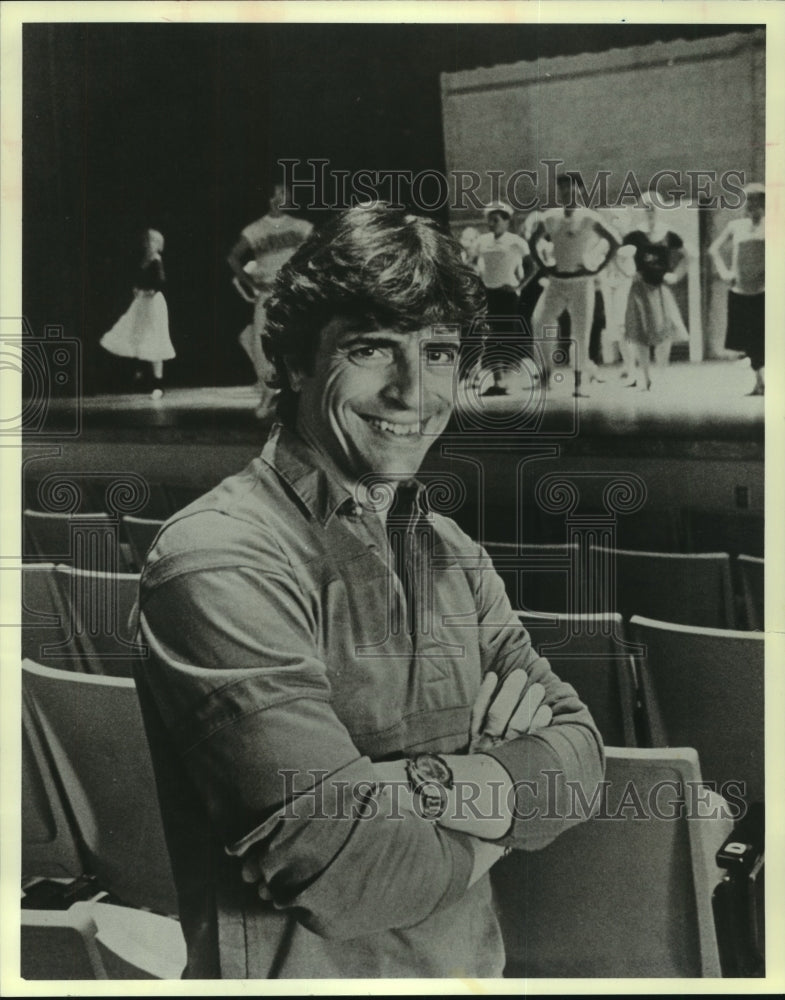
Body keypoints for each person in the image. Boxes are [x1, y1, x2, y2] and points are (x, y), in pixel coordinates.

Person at [133, 204, 605, 980]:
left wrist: (404, 789)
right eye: (370, 349)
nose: (413, 391)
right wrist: (497, 794)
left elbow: (580, 764)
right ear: (290, 364)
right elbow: (347, 876)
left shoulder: (451, 550)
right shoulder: (219, 559)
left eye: (440, 351)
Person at [529, 174, 622, 397]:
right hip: (557, 282)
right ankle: (545, 374)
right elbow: (532, 241)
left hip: (581, 283)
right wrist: (545, 265)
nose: (567, 194)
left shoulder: (589, 217)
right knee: (539, 321)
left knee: (581, 333)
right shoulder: (550, 217)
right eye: (562, 190)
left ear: (579, 191)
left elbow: (615, 241)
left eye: (571, 190)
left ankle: (580, 382)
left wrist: (596, 268)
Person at [227, 183, 313, 418]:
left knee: (294, 343)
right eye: (274, 193)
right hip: (267, 294)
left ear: (291, 197)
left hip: (292, 293)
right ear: (268, 198)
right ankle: (268, 392)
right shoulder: (255, 229)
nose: (279, 197)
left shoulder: (301, 227)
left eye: (284, 193)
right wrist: (253, 283)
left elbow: (316, 253)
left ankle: (296, 397)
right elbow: (233, 257)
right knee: (259, 343)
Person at [618, 191, 692, 391]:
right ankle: (645, 376)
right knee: (640, 333)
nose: (650, 210)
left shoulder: (668, 234)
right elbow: (617, 257)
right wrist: (627, 272)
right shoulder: (634, 235)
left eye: (653, 206)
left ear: (659, 208)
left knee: (663, 333)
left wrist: (676, 275)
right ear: (642, 209)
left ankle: (661, 372)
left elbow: (689, 255)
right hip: (640, 289)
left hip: (660, 289)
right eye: (646, 207)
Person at [100, 228, 175, 399]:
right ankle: (141, 374)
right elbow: (139, 279)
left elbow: (160, 283)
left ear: (158, 244)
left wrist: (147, 291)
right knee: (136, 335)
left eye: (152, 241)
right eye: (147, 241)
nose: (148, 244)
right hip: (142, 303)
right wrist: (137, 289)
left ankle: (158, 384)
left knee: (155, 339)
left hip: (153, 304)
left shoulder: (156, 260)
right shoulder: (145, 260)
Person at [707, 182, 765, 395]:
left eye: (755, 201)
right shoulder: (736, 225)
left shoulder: (773, 224)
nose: (750, 205)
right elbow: (713, 249)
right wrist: (724, 272)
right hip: (740, 289)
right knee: (749, 340)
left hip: (763, 290)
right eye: (748, 201)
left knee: (764, 336)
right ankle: (759, 381)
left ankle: (766, 380)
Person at [475, 201, 535, 395]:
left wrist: (520, 285)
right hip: (488, 295)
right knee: (490, 339)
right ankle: (498, 381)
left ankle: (514, 380)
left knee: (508, 337)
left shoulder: (515, 241)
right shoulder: (482, 241)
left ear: (506, 221)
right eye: (489, 220)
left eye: (496, 220)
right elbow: (470, 263)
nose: (491, 224)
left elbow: (532, 266)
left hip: (507, 295)